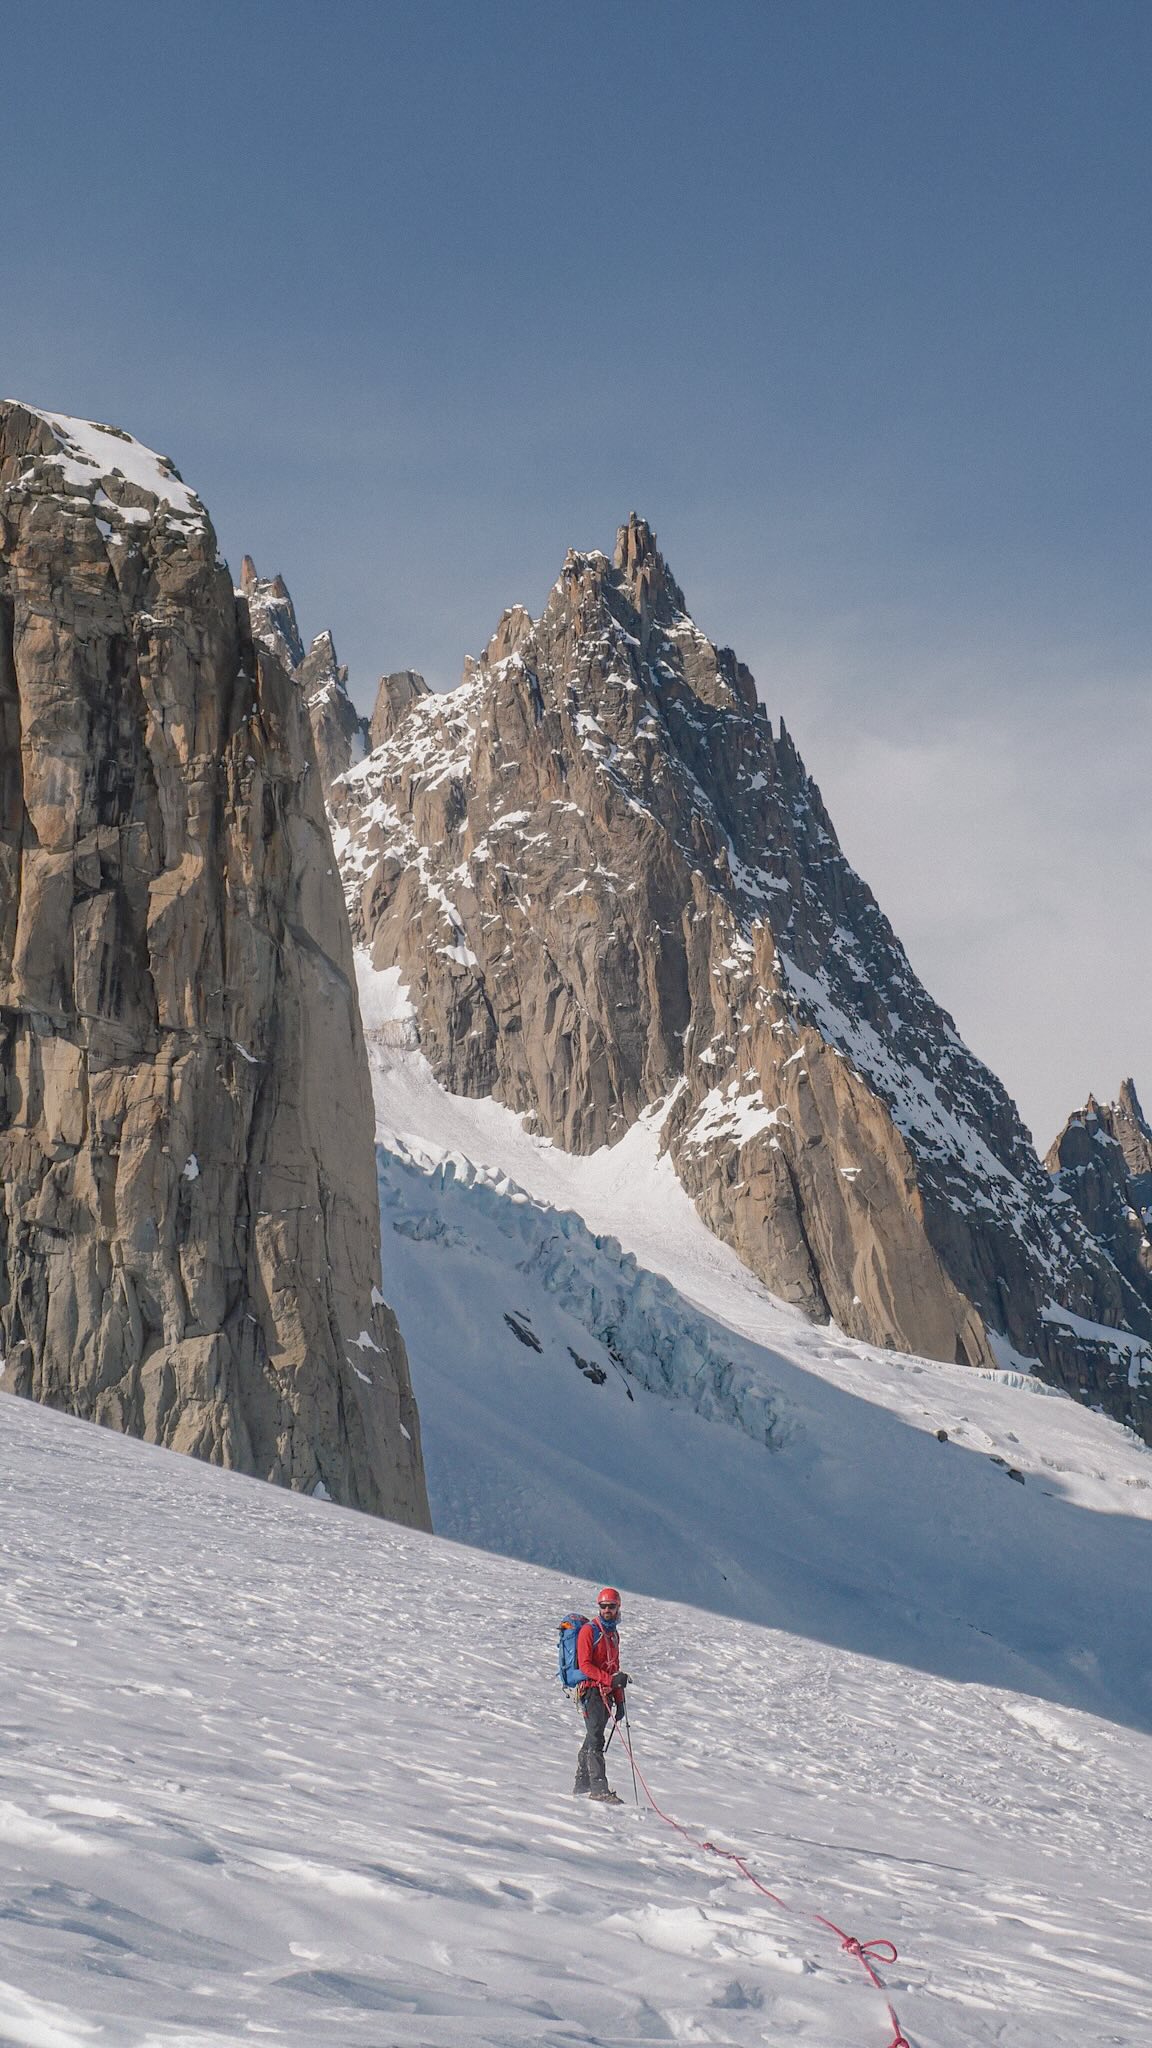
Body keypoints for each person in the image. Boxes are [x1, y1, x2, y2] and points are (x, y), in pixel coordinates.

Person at [573, 1587, 630, 1801]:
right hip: (591, 1691)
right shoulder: (590, 1631)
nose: (607, 1610)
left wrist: (619, 1698)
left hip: (605, 1694)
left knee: (593, 1735)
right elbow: (585, 1665)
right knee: (596, 1738)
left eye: (611, 1606)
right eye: (603, 1606)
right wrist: (609, 1681)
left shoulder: (613, 1635)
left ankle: (582, 1783)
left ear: (618, 1607)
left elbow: (613, 1667)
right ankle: (598, 1788)